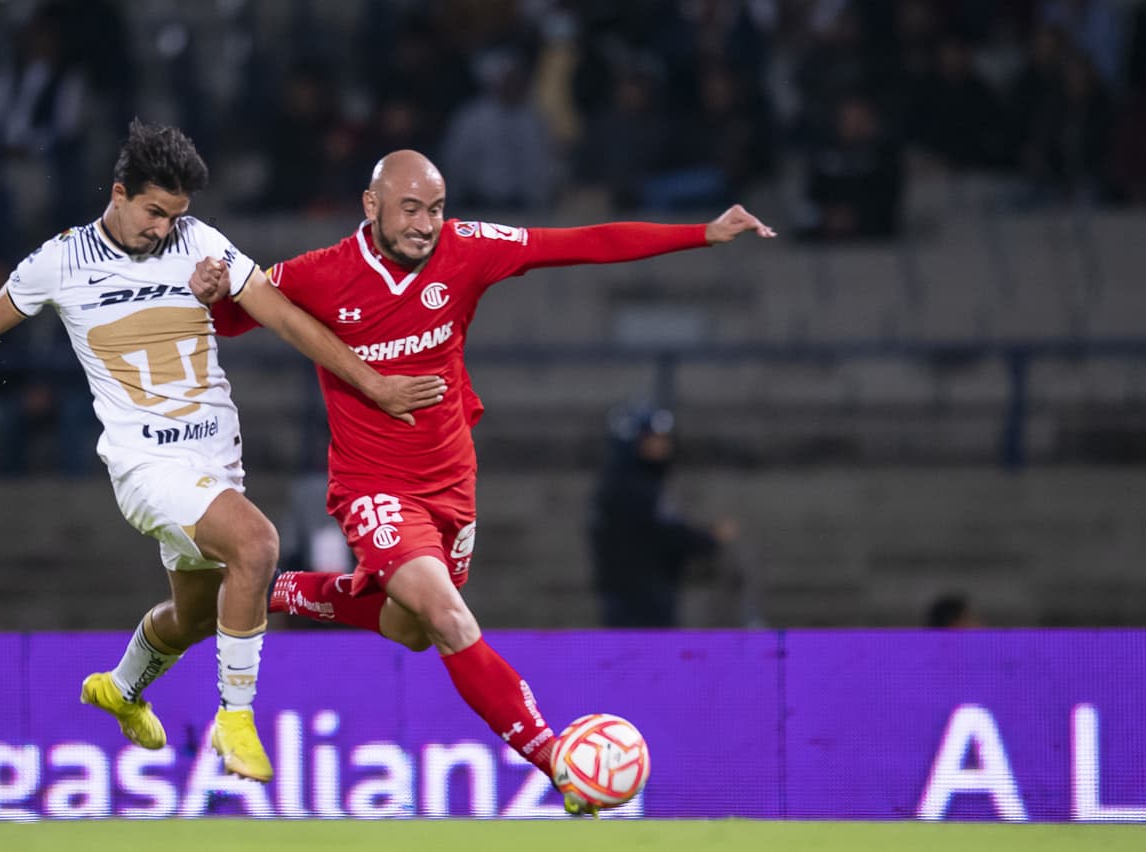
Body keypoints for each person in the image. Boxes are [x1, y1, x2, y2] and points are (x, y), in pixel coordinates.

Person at [190, 149, 774, 812]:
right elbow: (240, 317)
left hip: (451, 484)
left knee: (410, 626)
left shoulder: (468, 248)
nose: (424, 223)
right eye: (409, 208)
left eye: (435, 208)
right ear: (371, 205)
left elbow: (583, 243)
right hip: (372, 486)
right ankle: (555, 760)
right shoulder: (320, 274)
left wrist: (702, 231)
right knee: (446, 615)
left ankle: (285, 590)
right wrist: (210, 295)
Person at [0, 122, 445, 784]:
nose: (164, 228)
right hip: (146, 466)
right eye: (154, 212)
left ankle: (122, 688)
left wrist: (370, 381)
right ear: (119, 193)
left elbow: (281, 315)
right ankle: (237, 719)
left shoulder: (201, 245)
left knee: (193, 619)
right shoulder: (62, 260)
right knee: (258, 545)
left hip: (215, 463)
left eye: (176, 215)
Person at [588, 403, 734, 628]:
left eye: (663, 440)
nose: (663, 447)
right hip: (639, 602)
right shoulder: (631, 488)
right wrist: (709, 538)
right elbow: (666, 534)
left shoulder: (627, 484)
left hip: (638, 595)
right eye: (653, 440)